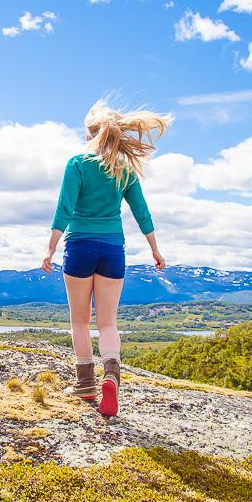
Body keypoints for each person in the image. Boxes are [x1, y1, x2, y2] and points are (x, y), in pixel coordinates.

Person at [41, 100, 170, 417]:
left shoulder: (77, 164)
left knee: (80, 320)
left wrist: (50, 249)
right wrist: (154, 248)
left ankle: (85, 383)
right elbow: (142, 212)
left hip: (80, 248)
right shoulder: (123, 168)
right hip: (113, 251)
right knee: (108, 322)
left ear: (91, 134)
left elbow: (64, 210)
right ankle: (111, 375)